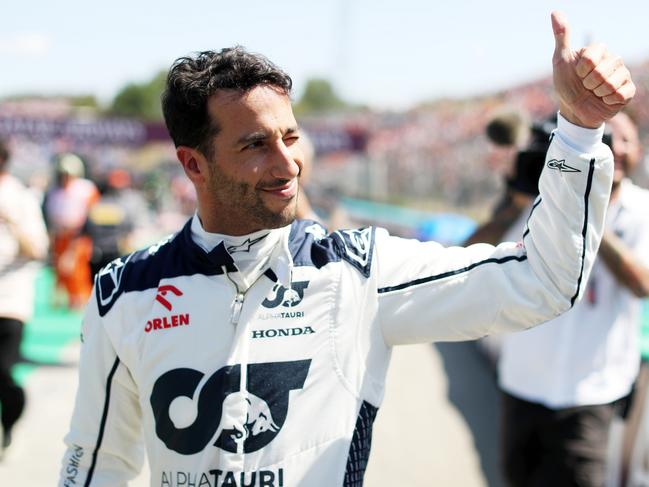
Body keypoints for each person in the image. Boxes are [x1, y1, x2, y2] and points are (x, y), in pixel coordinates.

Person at [59, 12, 634, 486]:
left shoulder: (357, 269)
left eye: (290, 137)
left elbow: (543, 281)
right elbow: (95, 466)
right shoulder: (124, 293)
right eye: (256, 145)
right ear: (193, 164)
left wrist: (580, 132)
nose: (288, 165)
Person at [497, 110, 649, 487]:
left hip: (590, 395)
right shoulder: (546, 196)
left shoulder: (642, 211)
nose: (612, 149)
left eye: (621, 141)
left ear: (639, 151)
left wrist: (586, 210)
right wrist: (523, 199)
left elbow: (642, 283)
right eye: (602, 139)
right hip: (523, 386)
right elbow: (472, 249)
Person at [0, 138, 49, 458]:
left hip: (9, 300)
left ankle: (10, 419)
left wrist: (11, 221)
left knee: (3, 369)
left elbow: (38, 249)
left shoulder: (19, 197)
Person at [43, 153, 100, 309]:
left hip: (80, 237)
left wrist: (77, 238)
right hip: (60, 237)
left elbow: (90, 216)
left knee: (77, 270)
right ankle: (69, 301)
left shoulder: (86, 189)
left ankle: (82, 302)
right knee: (61, 271)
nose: (66, 178)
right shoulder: (54, 192)